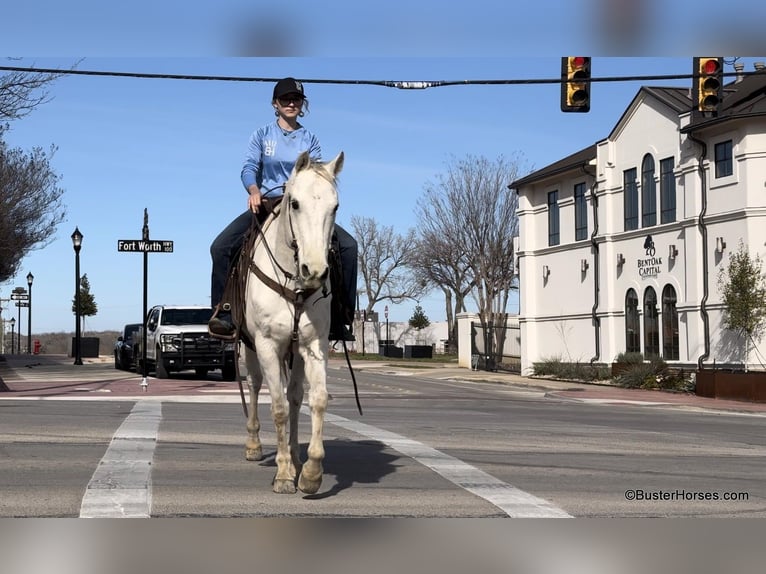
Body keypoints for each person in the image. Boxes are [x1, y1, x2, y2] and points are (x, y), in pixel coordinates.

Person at [208, 77, 357, 340]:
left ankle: (340, 316)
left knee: (347, 247)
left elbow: (318, 175)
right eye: (285, 99)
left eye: (296, 99)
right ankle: (225, 312)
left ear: (302, 104)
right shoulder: (262, 135)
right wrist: (254, 191)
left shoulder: (310, 139)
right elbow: (249, 168)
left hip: (302, 208)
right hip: (268, 204)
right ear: (275, 104)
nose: (291, 103)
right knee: (220, 247)